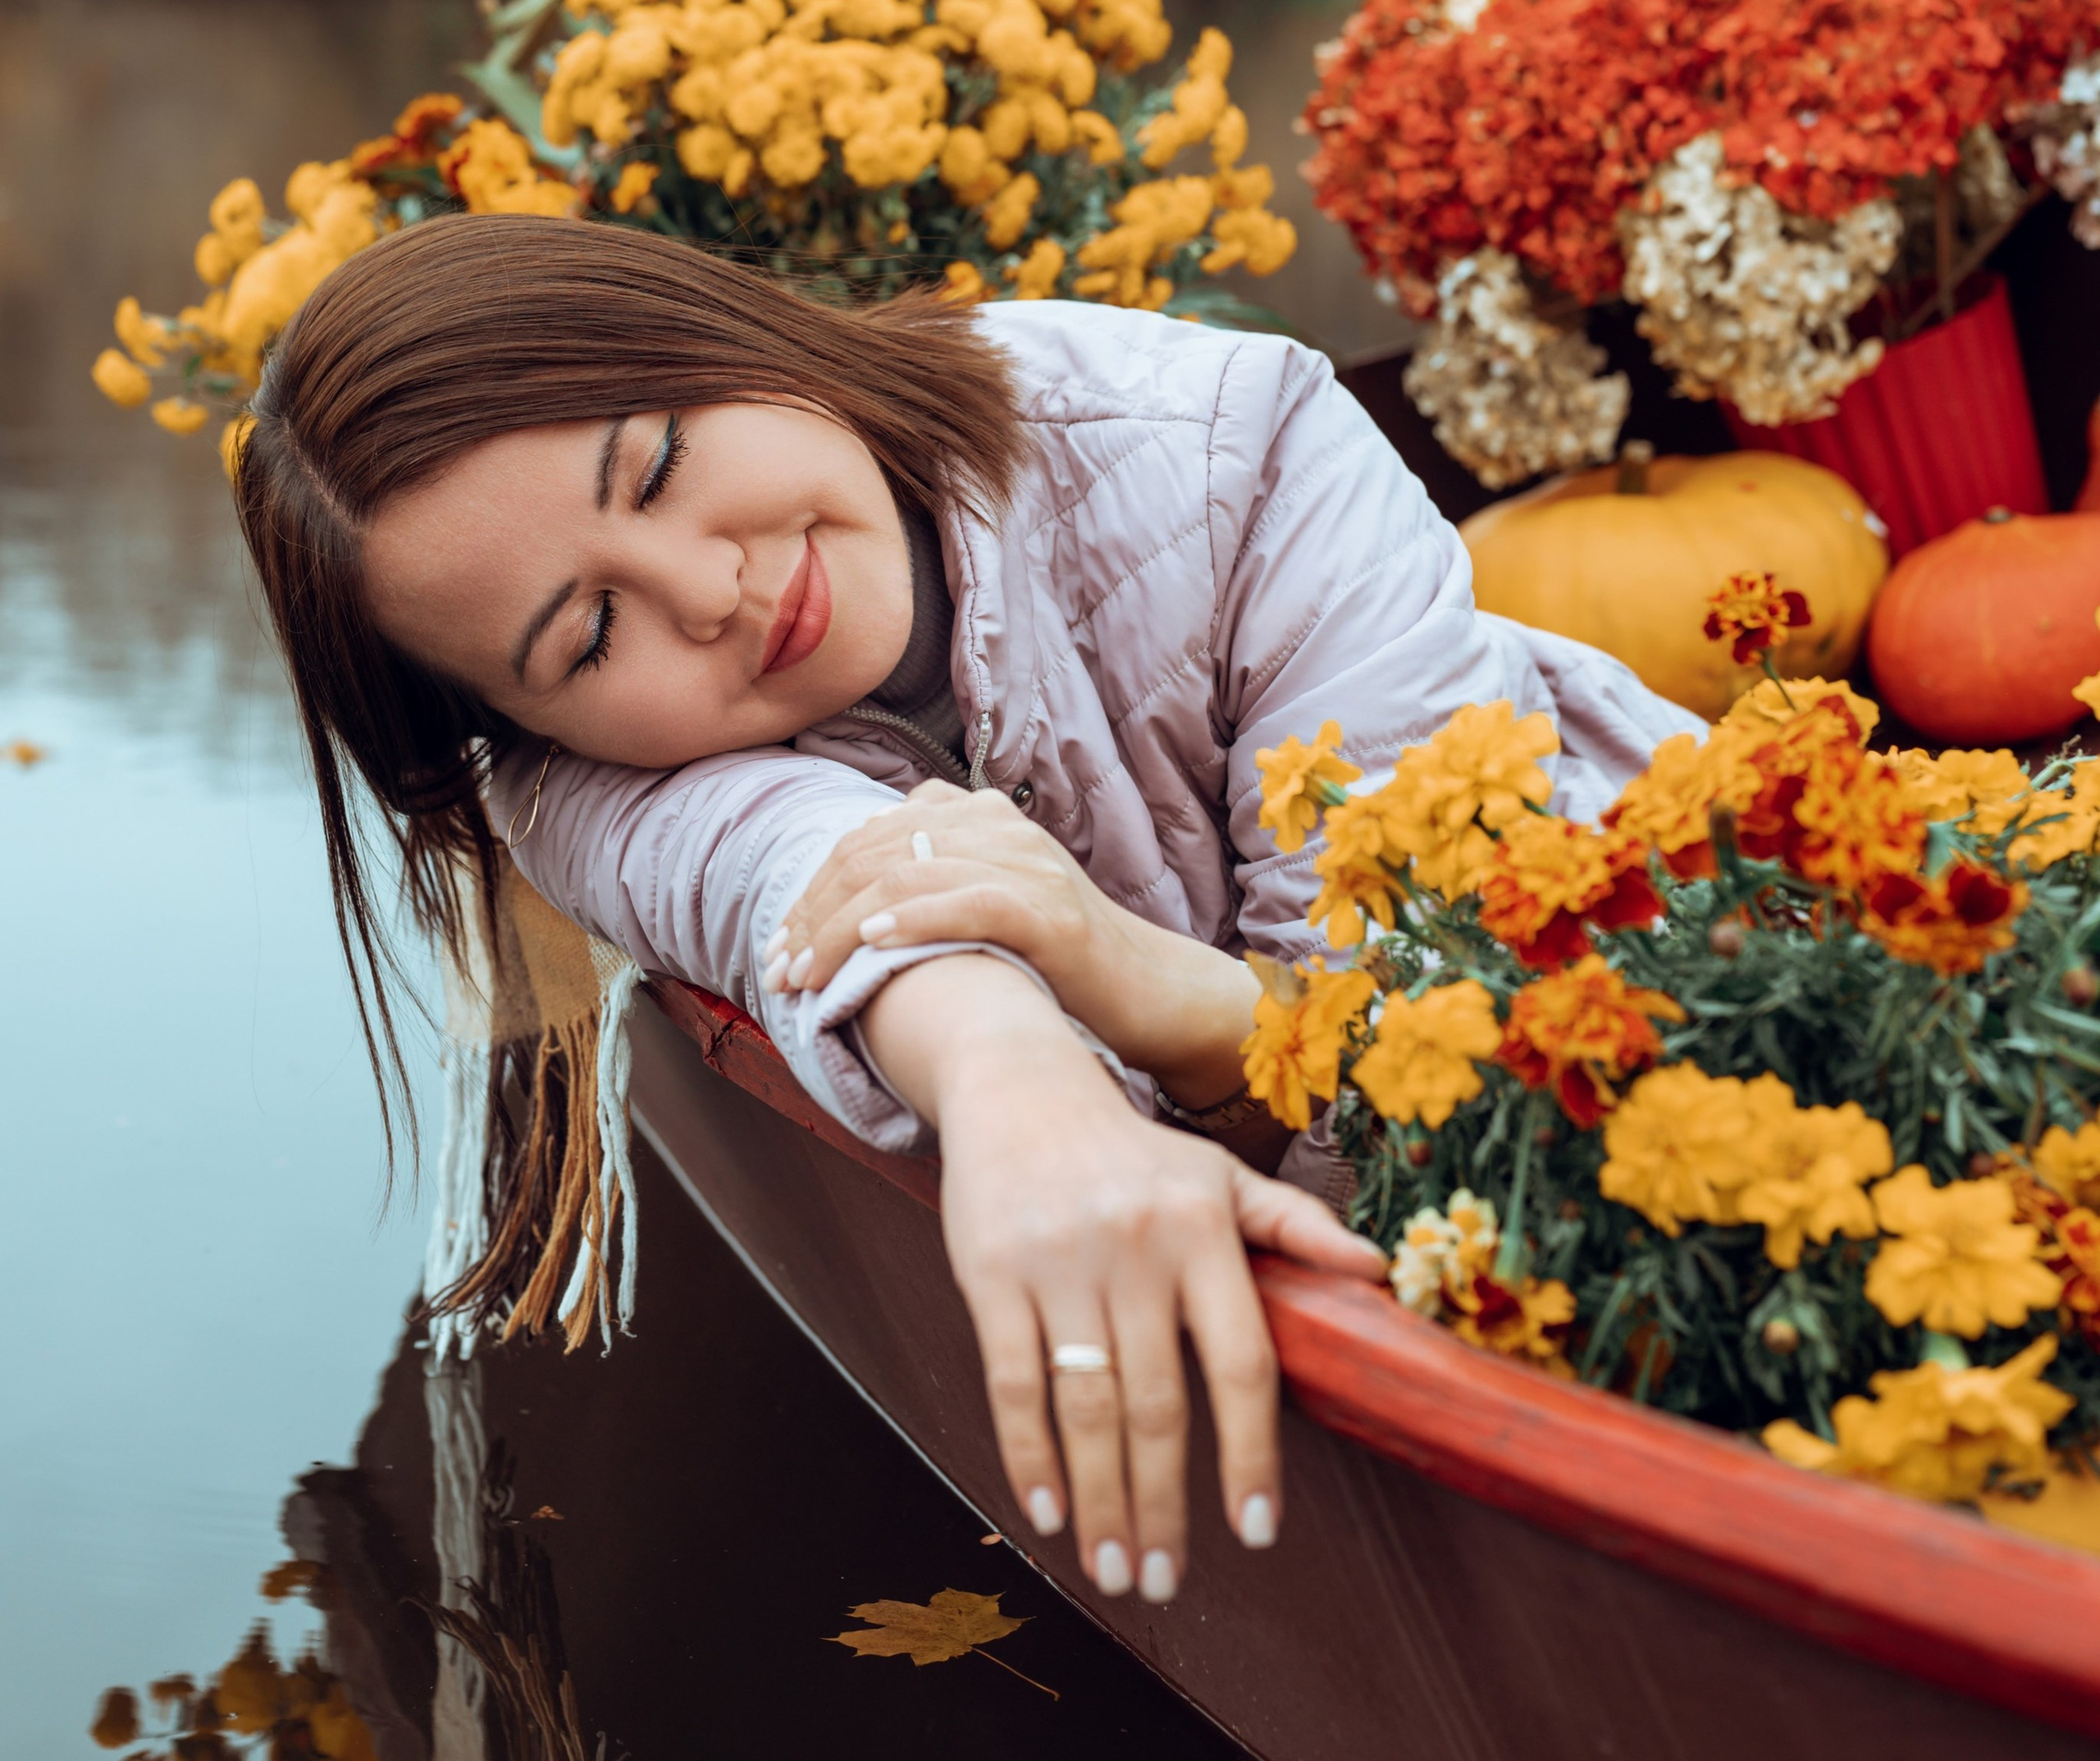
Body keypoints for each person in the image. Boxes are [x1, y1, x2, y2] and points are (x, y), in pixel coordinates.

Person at [238, 212, 1692, 1613]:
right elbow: (795, 869)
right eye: (593, 629)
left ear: (730, 327)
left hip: (1697, 986)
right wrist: (1015, 1085)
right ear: (521, 721)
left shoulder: (1224, 442)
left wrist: (1131, 978)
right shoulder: (587, 785)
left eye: (663, 462)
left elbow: (1434, 1081)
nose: (710, 590)